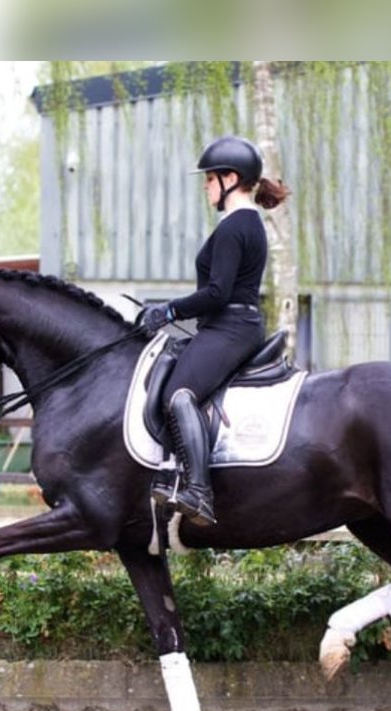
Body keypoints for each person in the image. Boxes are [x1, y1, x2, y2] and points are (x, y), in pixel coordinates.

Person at [136, 135, 290, 527]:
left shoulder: (236, 225)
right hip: (229, 325)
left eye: (209, 179)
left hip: (231, 326)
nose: (205, 186)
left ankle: (199, 492)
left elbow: (217, 292)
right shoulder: (244, 223)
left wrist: (169, 309)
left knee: (178, 394)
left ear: (230, 178)